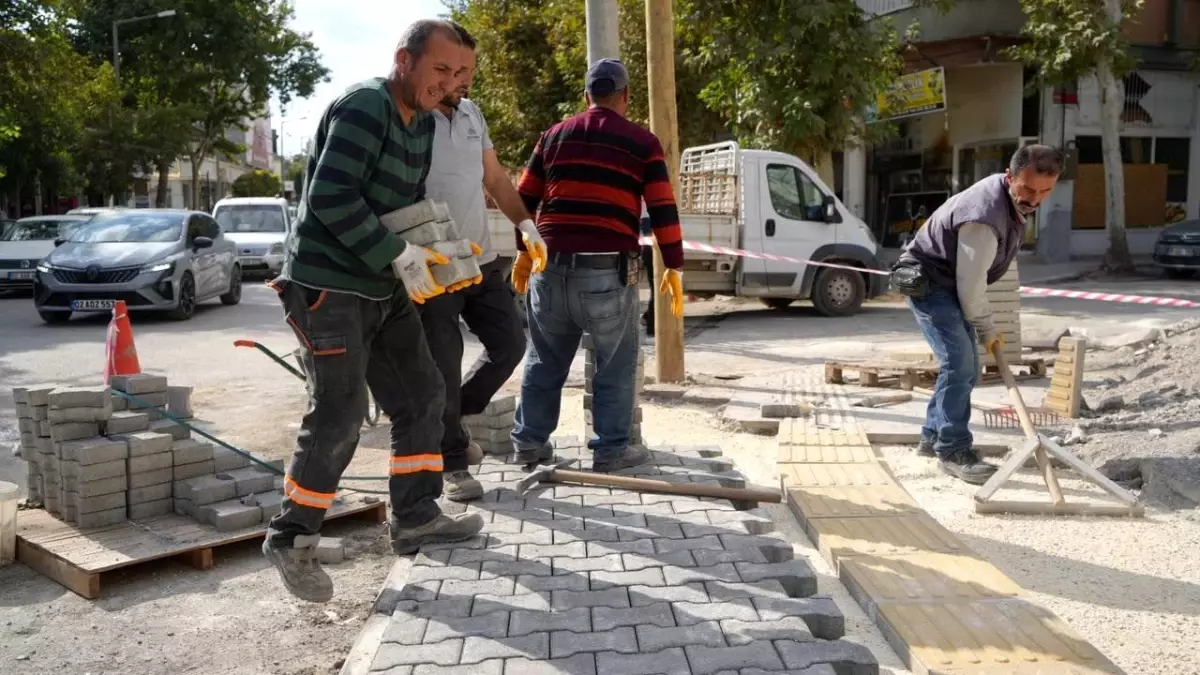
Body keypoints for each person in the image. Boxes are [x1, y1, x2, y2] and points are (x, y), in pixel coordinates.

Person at [262, 19, 484, 604]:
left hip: (380, 285)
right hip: (328, 287)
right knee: (339, 411)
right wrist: (401, 253)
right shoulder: (365, 106)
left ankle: (415, 516)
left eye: (460, 74)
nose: (449, 84)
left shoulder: (424, 124)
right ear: (404, 60)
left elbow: (401, 204)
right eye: (440, 69)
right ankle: (291, 539)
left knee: (423, 393)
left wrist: (435, 248)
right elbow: (330, 198)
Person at [509, 58, 685, 473]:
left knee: (544, 358)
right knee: (614, 363)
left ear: (586, 95)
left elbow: (523, 199)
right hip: (607, 272)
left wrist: (522, 248)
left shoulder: (552, 137)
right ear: (624, 96)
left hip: (548, 269)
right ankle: (610, 450)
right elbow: (662, 207)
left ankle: (529, 444)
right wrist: (673, 265)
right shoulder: (642, 142)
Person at [898, 144, 1062, 485]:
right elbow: (970, 286)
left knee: (963, 366)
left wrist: (984, 326)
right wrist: (988, 329)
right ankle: (954, 448)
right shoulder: (984, 217)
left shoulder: (1009, 202)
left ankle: (932, 437)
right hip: (930, 282)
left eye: (1045, 191)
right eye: (1028, 189)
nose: (1035, 199)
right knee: (960, 363)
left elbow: (975, 277)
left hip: (951, 282)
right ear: (1010, 177)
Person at [419, 21, 535, 502]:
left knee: (510, 343)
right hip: (437, 263)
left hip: (482, 260)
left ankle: (450, 421)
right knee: (444, 363)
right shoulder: (413, 117)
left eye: (468, 70)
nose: (461, 79)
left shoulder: (472, 115)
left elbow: (496, 179)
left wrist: (527, 226)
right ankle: (450, 462)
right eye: (452, 69)